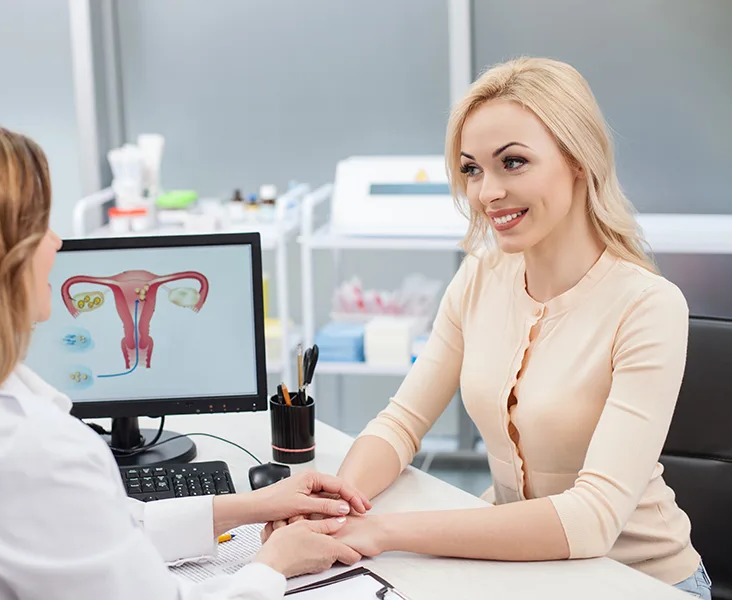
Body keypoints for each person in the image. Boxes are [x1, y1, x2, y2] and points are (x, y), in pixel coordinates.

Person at [0, 123, 371, 600]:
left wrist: (252, 506)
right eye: (38, 226)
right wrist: (273, 566)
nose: (57, 242)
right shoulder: (29, 452)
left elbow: (92, 528)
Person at [273, 57, 712, 598]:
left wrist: (381, 532)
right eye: (473, 169)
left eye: (513, 162)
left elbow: (593, 517)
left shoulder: (648, 305)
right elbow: (401, 423)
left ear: (579, 160)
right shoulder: (481, 275)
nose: (487, 193)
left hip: (639, 580)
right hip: (522, 571)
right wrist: (332, 509)